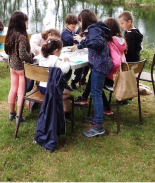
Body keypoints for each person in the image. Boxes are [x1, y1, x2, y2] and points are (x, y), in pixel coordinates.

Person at [72, 9, 112, 137]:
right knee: (96, 92)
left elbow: (98, 43)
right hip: (102, 64)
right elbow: (96, 42)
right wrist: (82, 43)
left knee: (96, 94)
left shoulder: (93, 29)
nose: (79, 24)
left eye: (80, 21)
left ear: (84, 20)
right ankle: (96, 117)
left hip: (100, 65)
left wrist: (81, 43)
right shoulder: (97, 28)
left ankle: (99, 126)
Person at [5, 11, 34, 124]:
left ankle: (11, 113)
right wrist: (30, 57)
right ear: (22, 23)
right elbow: (22, 54)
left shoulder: (10, 35)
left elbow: (8, 51)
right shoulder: (21, 37)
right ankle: (19, 116)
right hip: (21, 69)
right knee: (21, 92)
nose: (27, 24)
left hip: (13, 66)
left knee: (13, 89)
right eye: (26, 22)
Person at [38, 38, 72, 122]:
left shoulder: (42, 56)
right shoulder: (55, 60)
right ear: (56, 50)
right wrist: (66, 61)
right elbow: (65, 69)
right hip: (51, 89)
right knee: (68, 92)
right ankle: (66, 113)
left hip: (42, 87)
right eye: (60, 50)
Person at [61, 13, 89, 90]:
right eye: (73, 27)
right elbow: (71, 39)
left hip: (70, 53)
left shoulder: (72, 32)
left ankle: (73, 82)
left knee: (72, 70)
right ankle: (65, 83)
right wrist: (80, 40)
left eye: (75, 26)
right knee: (67, 70)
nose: (74, 28)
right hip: (64, 55)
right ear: (67, 25)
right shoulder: (65, 33)